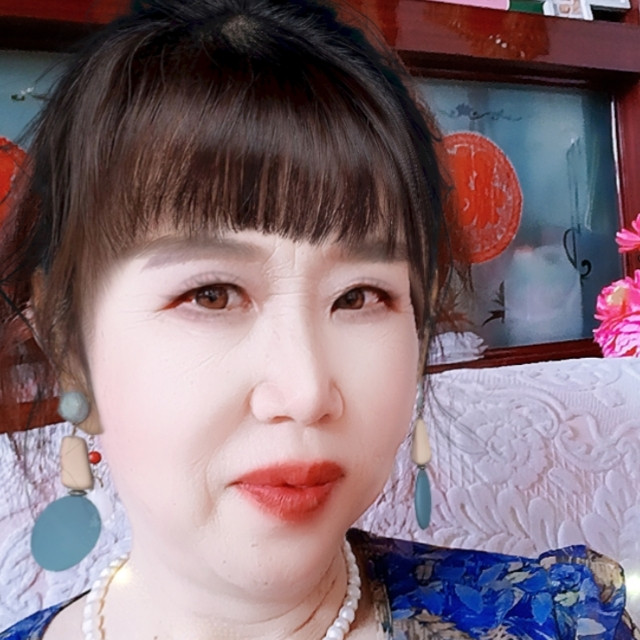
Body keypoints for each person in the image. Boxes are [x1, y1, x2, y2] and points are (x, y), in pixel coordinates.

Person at [0, 1, 636, 638]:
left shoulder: (558, 620)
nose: (306, 393)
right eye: (212, 294)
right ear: (68, 344)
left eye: (359, 296)